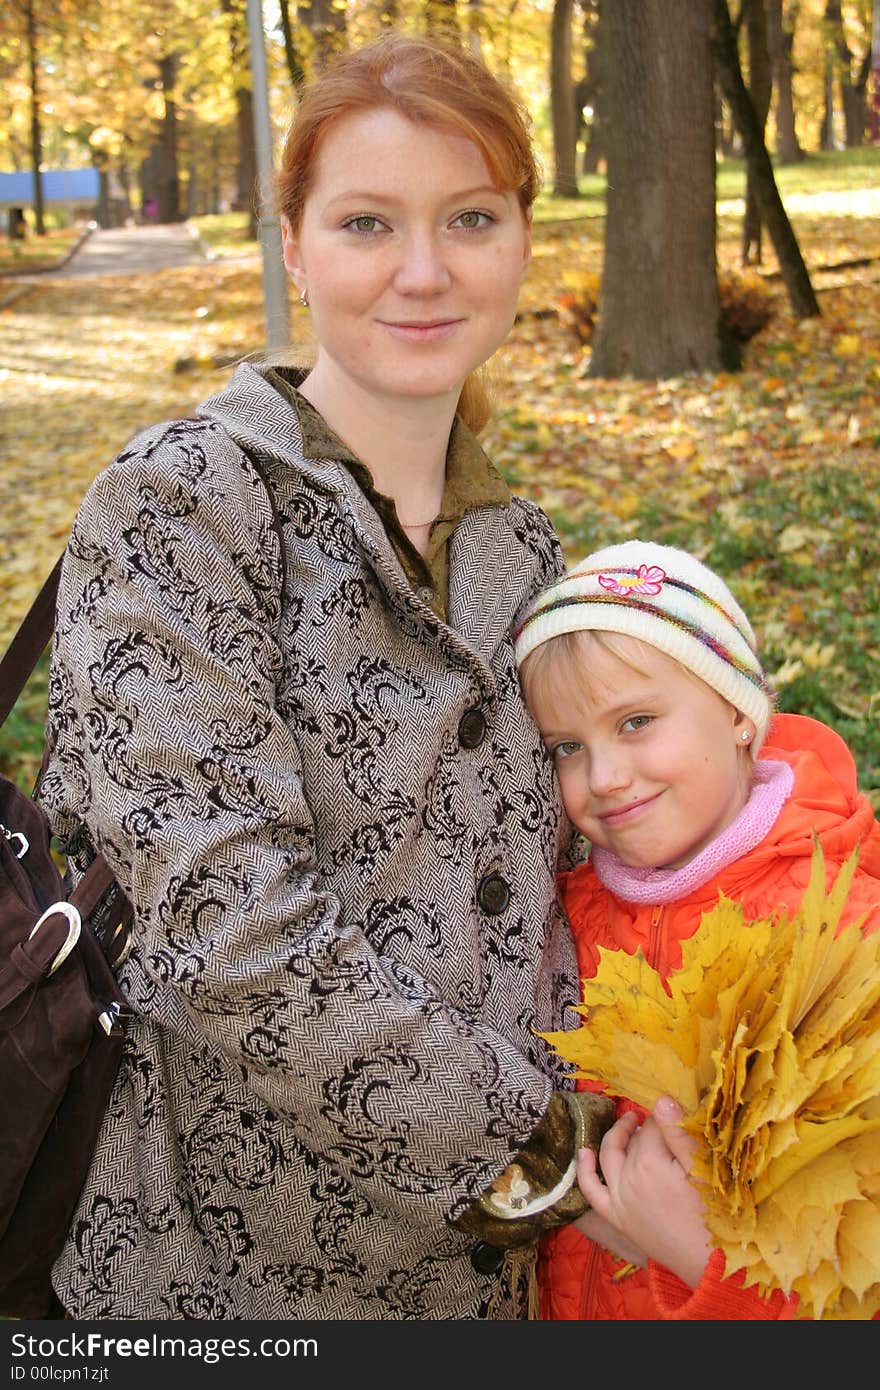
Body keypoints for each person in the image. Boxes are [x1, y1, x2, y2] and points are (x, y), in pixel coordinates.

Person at [38, 34, 613, 1321]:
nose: (424, 270)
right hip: (222, 1286)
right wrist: (567, 1165)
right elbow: (225, 933)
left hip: (507, 1296)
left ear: (523, 239)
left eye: (470, 217)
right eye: (366, 222)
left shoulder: (524, 550)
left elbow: (581, 881)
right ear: (292, 245)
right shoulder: (178, 507)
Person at [513, 538, 880, 1320]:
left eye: (637, 721)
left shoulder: (839, 939)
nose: (604, 777)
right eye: (567, 748)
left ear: (739, 713)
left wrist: (697, 1260)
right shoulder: (565, 917)